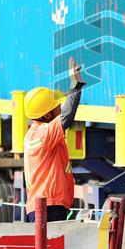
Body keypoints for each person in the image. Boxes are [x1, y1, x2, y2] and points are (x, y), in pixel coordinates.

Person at [22, 58, 85, 221]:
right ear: (47, 115)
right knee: (54, 247)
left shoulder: (34, 133)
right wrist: (75, 87)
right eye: (56, 106)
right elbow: (66, 117)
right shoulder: (42, 135)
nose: (60, 107)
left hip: (43, 206)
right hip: (48, 206)